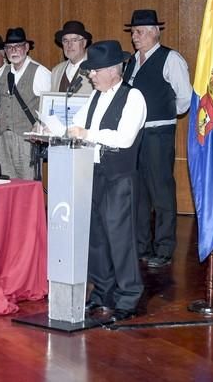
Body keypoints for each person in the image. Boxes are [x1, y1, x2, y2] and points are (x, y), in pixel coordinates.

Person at [67, 40, 147, 322]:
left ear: (113, 70)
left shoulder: (133, 97)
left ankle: (128, 296)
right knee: (96, 239)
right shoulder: (94, 97)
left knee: (120, 238)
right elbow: (75, 125)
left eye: (94, 71)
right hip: (93, 174)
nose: (90, 75)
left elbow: (124, 139)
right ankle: (102, 293)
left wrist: (88, 134)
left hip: (119, 176)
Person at [123, 9, 192, 268]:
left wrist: (163, 114)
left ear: (155, 32)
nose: (134, 36)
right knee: (139, 192)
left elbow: (184, 98)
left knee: (161, 191)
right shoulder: (131, 60)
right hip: (135, 134)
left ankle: (164, 248)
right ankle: (142, 245)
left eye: (139, 32)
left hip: (158, 133)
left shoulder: (170, 59)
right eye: (132, 32)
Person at [0, 27, 51, 179]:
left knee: (27, 184)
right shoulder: (2, 71)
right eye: (9, 47)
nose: (13, 50)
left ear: (26, 47)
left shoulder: (40, 72)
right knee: (5, 184)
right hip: (3, 139)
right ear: (5, 51)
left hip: (26, 140)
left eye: (18, 46)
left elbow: (50, 106)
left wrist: (39, 126)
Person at [50, 20, 93, 94]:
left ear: (84, 43)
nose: (69, 45)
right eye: (65, 41)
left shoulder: (95, 69)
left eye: (74, 40)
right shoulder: (56, 71)